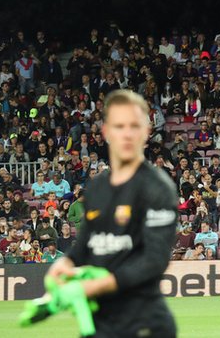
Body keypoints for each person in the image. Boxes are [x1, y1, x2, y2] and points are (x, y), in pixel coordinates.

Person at [47, 90, 178, 337]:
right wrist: (66, 262)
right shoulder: (96, 187)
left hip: (145, 323)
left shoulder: (159, 188)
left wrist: (96, 286)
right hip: (101, 323)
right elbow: (87, 243)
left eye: (134, 126)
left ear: (146, 132)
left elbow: (154, 260)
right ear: (106, 132)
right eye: (119, 126)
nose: (127, 133)